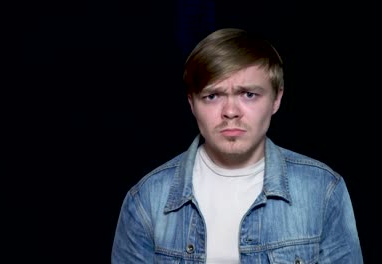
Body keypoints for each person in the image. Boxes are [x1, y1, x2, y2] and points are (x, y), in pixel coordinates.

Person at [111, 28, 363, 263]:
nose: (230, 112)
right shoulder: (146, 200)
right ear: (192, 103)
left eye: (249, 94)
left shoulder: (323, 190)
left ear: (277, 99)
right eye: (212, 96)